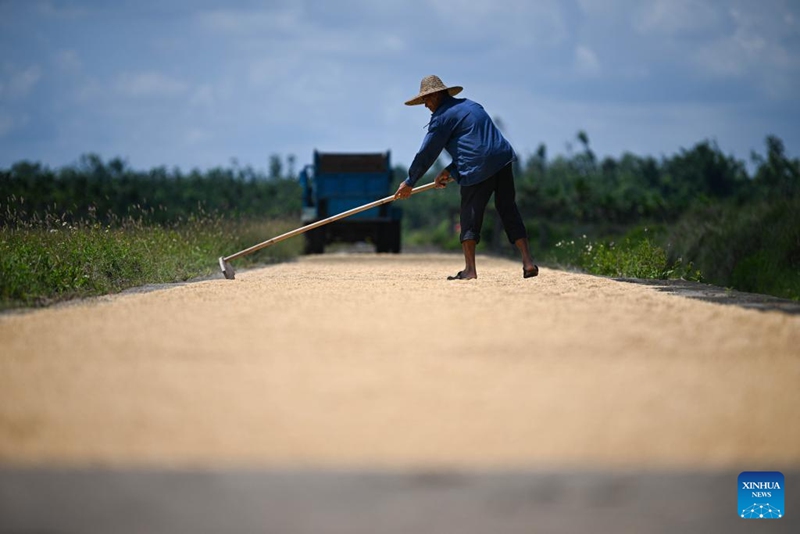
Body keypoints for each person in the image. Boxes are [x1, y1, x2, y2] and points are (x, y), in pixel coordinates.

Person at [394, 75, 538, 280]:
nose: (425, 105)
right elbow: (477, 145)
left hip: (478, 165)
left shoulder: (441, 118)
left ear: (436, 95)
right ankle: (528, 262)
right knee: (508, 208)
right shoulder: (471, 105)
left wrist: (410, 181)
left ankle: (470, 270)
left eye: (426, 100)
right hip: (502, 158)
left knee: (469, 215)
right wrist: (451, 171)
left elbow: (427, 153)